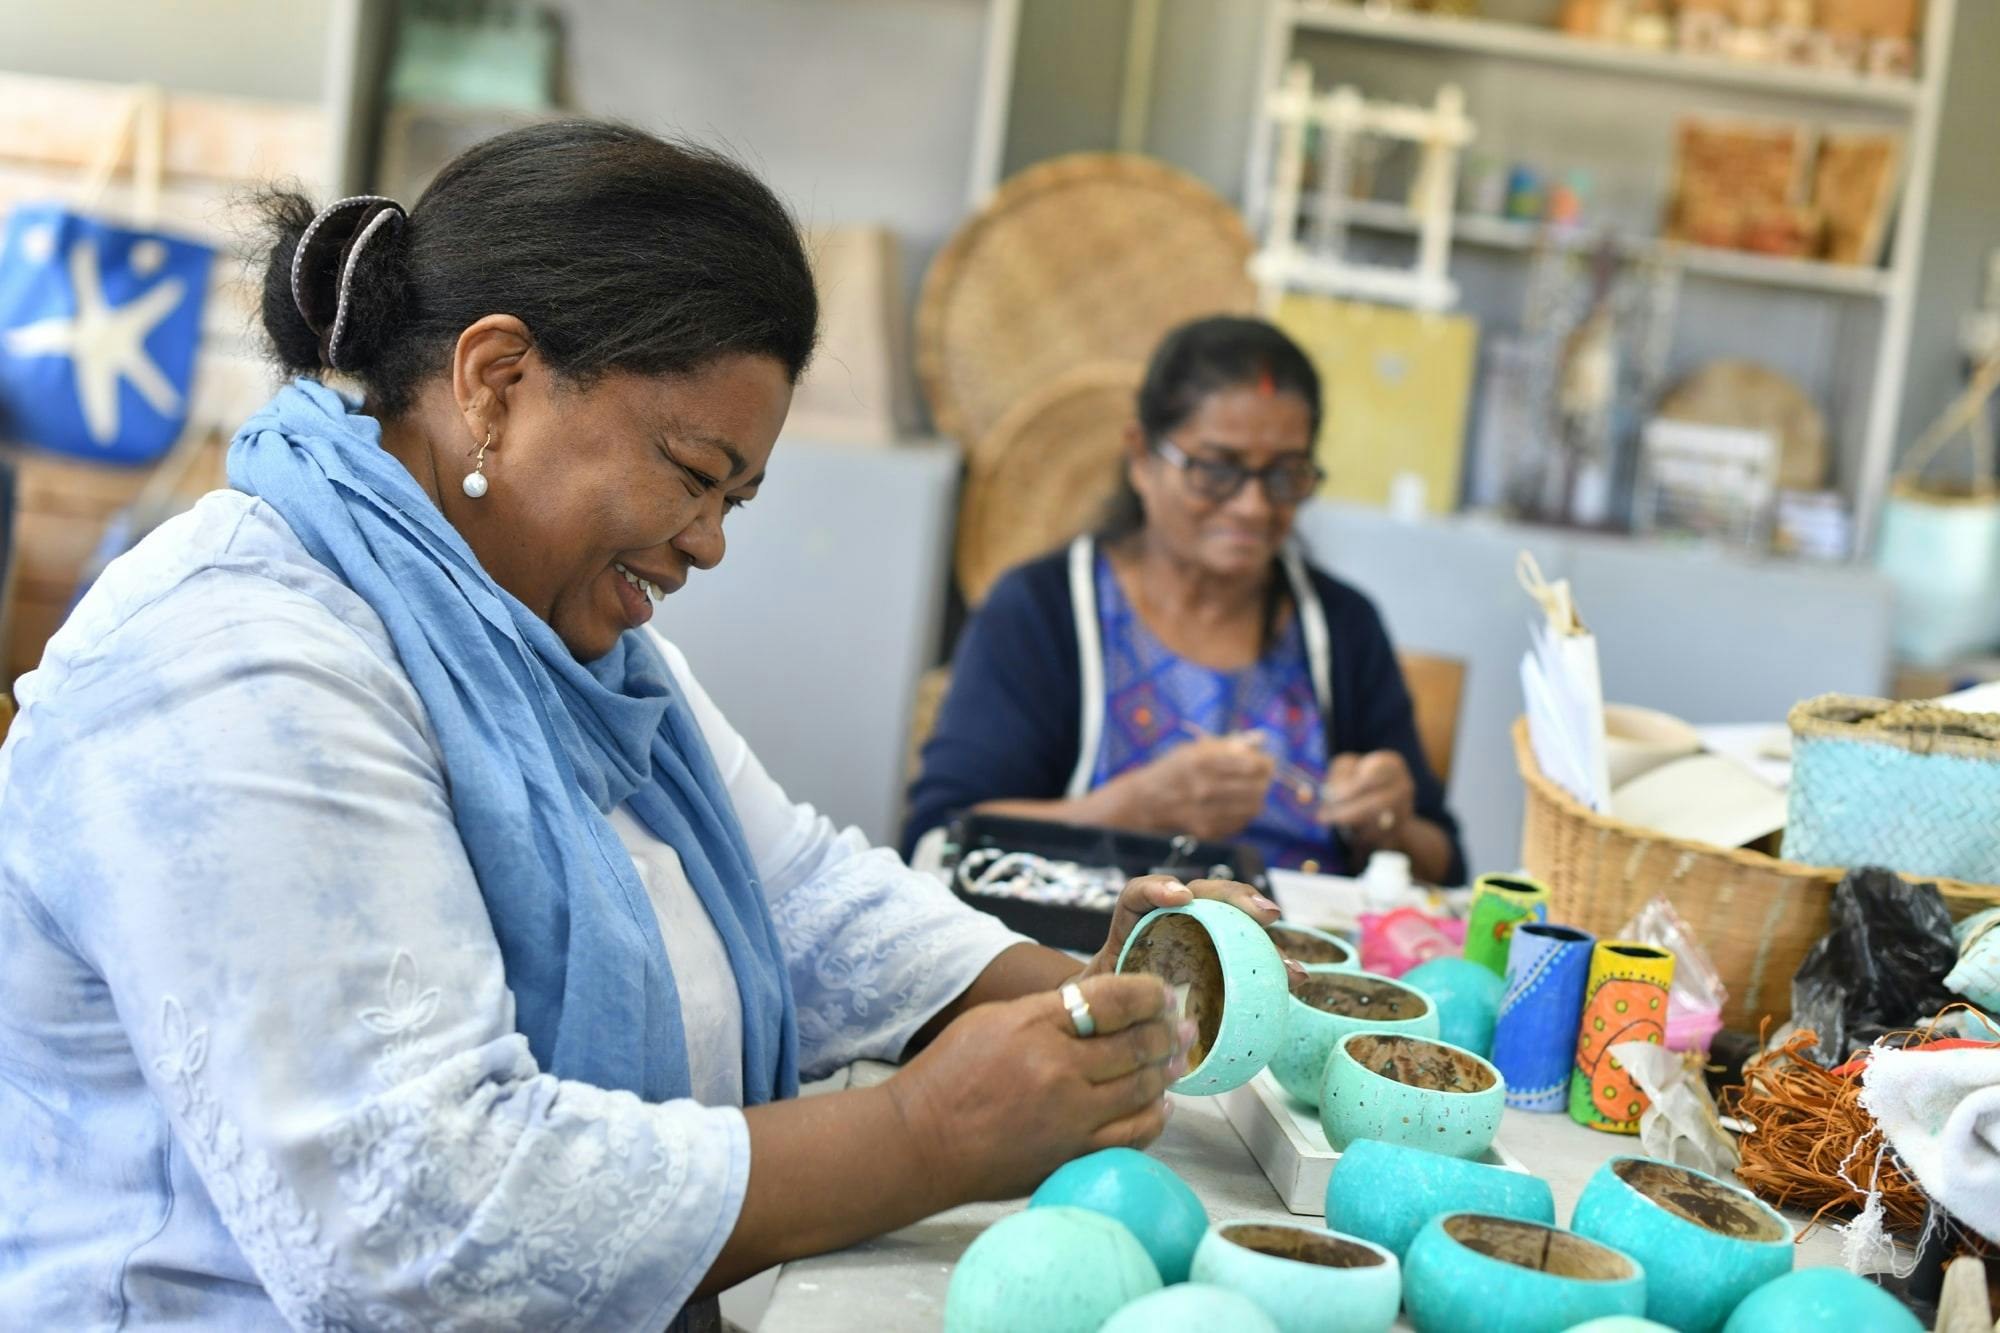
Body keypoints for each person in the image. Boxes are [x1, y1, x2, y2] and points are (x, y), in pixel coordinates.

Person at [0, 124, 1291, 1330]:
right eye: (691, 472)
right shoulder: (236, 663)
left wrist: (1091, 997)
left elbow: (796, 895)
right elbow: (414, 1217)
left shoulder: (559, 643)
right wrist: (927, 1134)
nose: (712, 541)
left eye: (739, 495)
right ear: (497, 380)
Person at [906, 316, 1466, 885]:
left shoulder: (1341, 629)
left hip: (1301, 960)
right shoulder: (1046, 611)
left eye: (1285, 474)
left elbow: (1445, 867)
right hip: (1094, 958)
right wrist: (1135, 809)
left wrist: (1389, 823)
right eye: (1216, 470)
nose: (1252, 506)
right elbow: (936, 838)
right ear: (1142, 458)